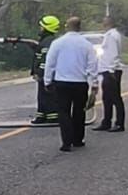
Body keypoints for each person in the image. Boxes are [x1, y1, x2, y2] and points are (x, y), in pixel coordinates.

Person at [43, 16, 100, 152]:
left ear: (66, 26)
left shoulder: (58, 43)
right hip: (80, 83)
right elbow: (92, 66)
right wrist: (94, 84)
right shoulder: (86, 44)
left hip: (62, 82)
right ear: (80, 27)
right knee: (79, 112)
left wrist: (47, 80)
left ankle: (66, 142)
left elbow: (50, 63)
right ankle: (78, 139)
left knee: (64, 112)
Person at [9, 15, 61, 125]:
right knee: (42, 96)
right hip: (46, 75)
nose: (40, 28)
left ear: (47, 28)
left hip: (46, 75)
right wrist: (20, 41)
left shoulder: (48, 42)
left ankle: (52, 117)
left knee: (49, 96)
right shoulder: (48, 41)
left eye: (42, 26)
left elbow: (44, 60)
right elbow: (37, 47)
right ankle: (42, 115)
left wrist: (40, 74)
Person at [95, 14, 125, 132]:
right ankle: (106, 121)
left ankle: (119, 123)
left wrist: (111, 70)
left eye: (105, 21)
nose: (103, 23)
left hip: (111, 70)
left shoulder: (112, 36)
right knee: (106, 97)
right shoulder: (109, 35)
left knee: (115, 97)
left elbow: (113, 54)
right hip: (106, 69)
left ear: (111, 23)